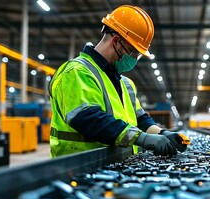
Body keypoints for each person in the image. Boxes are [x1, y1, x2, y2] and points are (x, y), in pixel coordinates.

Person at [48, 5, 187, 158]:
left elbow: (140, 119)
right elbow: (88, 119)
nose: (134, 59)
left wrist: (163, 133)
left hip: (114, 167)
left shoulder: (125, 84)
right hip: (78, 167)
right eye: (133, 52)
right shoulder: (76, 72)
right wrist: (142, 138)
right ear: (115, 41)